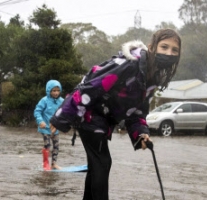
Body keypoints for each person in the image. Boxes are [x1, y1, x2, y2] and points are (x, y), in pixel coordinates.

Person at [50, 28, 181, 199]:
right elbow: (91, 86)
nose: (169, 53)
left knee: (98, 164)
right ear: (151, 47)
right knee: (102, 163)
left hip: (103, 120)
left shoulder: (151, 77)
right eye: (164, 47)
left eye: (174, 50)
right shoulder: (129, 64)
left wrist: (141, 133)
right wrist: (63, 116)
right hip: (89, 113)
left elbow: (137, 112)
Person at [34, 80, 64, 170]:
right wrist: (40, 121)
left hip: (55, 128)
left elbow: (65, 113)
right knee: (47, 145)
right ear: (49, 91)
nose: (56, 93)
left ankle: (54, 164)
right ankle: (45, 164)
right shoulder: (44, 100)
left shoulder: (62, 101)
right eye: (54, 91)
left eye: (57, 91)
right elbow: (37, 111)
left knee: (56, 145)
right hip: (45, 128)